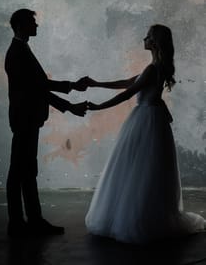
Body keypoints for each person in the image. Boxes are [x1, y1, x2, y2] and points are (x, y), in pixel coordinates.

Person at [84, 24, 205, 244]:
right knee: (148, 171)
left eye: (147, 36)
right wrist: (96, 83)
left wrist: (98, 107)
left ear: (154, 42)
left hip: (145, 119)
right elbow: (127, 83)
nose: (144, 39)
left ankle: (139, 219)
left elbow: (128, 93)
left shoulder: (152, 69)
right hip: (154, 119)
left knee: (140, 169)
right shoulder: (156, 67)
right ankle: (150, 214)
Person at [5, 8, 88, 238]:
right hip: (25, 120)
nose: (37, 26)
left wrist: (71, 87)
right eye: (33, 22)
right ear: (21, 26)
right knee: (21, 172)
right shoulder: (18, 53)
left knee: (25, 171)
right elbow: (39, 89)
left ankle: (27, 222)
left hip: (26, 120)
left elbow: (39, 85)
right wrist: (70, 103)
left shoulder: (19, 50)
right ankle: (24, 223)